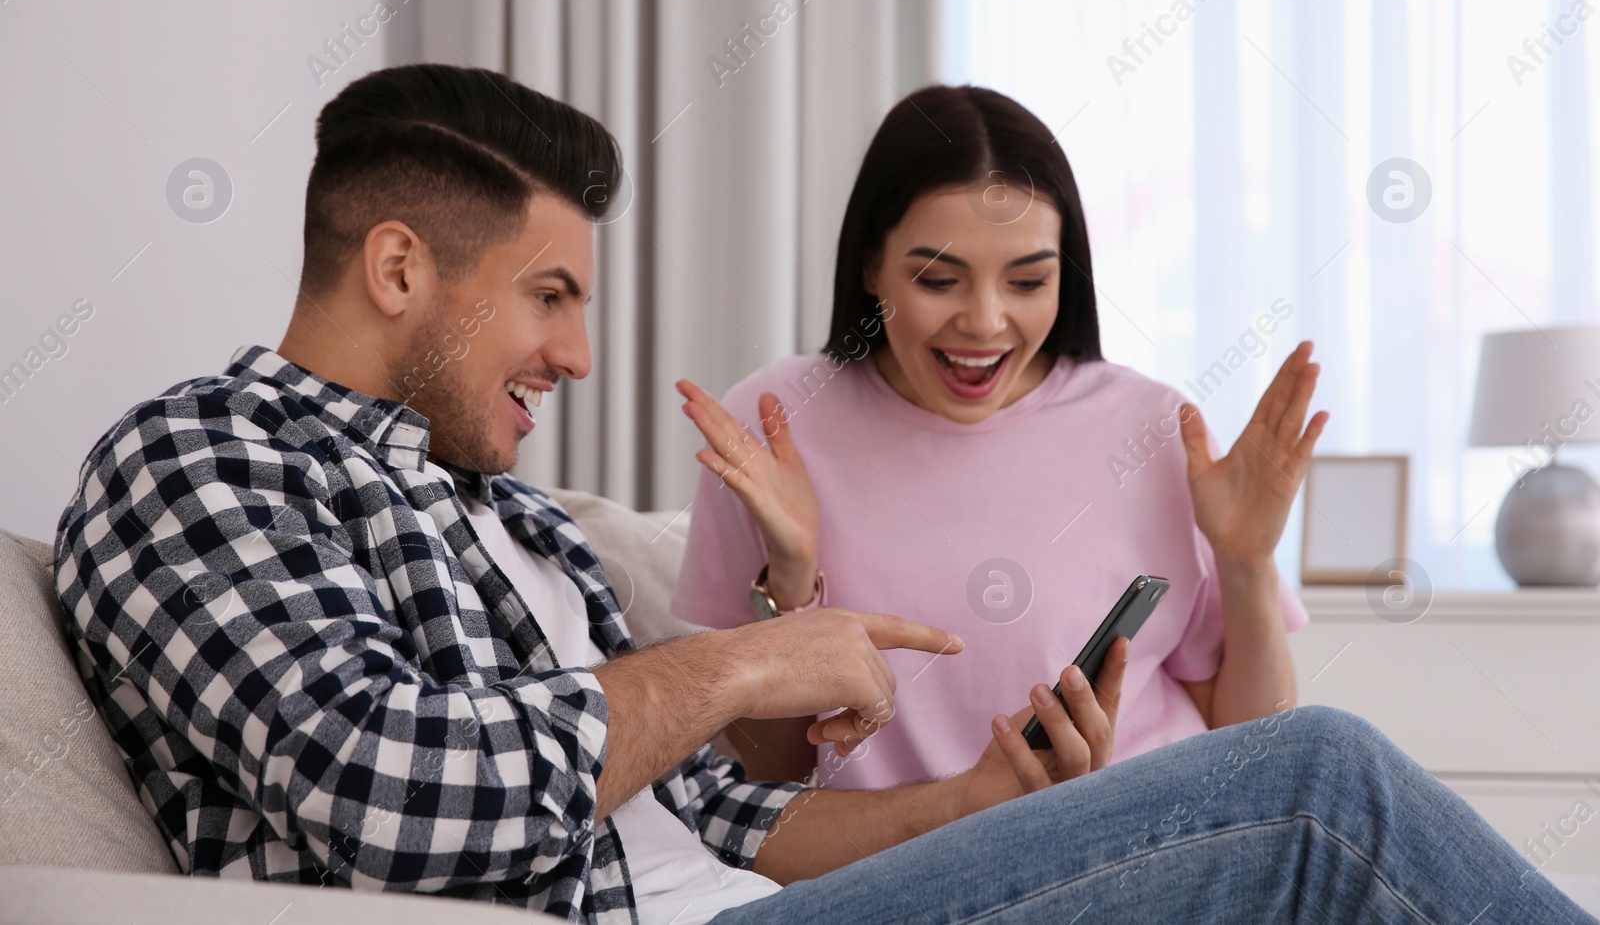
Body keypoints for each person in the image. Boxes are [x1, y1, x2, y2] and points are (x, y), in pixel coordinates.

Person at [54, 64, 1593, 925]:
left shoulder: (510, 519)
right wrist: (748, 654)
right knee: (1321, 784)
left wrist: (990, 801)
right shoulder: (203, 459)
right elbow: (383, 790)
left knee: (1300, 808)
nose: (580, 353)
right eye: (546, 297)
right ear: (400, 268)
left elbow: (744, 812)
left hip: (741, 905)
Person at [671, 85, 1313, 789]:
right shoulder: (776, 424)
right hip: (897, 870)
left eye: (1028, 280)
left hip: (1145, 848)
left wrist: (1247, 560)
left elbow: (1256, 755)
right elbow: (766, 786)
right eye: (938, 279)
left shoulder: (1155, 428)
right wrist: (788, 585)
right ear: (869, 266)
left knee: (1338, 759)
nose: (984, 321)